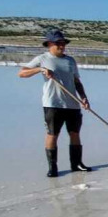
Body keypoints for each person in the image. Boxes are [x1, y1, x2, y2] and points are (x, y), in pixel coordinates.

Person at [18, 29, 92, 177]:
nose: (62, 46)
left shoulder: (70, 61)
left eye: (63, 43)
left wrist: (84, 97)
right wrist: (40, 69)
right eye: (58, 43)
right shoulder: (42, 59)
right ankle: (53, 167)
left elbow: (77, 81)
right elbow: (22, 73)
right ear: (50, 44)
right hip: (53, 103)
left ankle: (76, 164)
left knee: (75, 133)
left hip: (72, 104)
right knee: (53, 134)